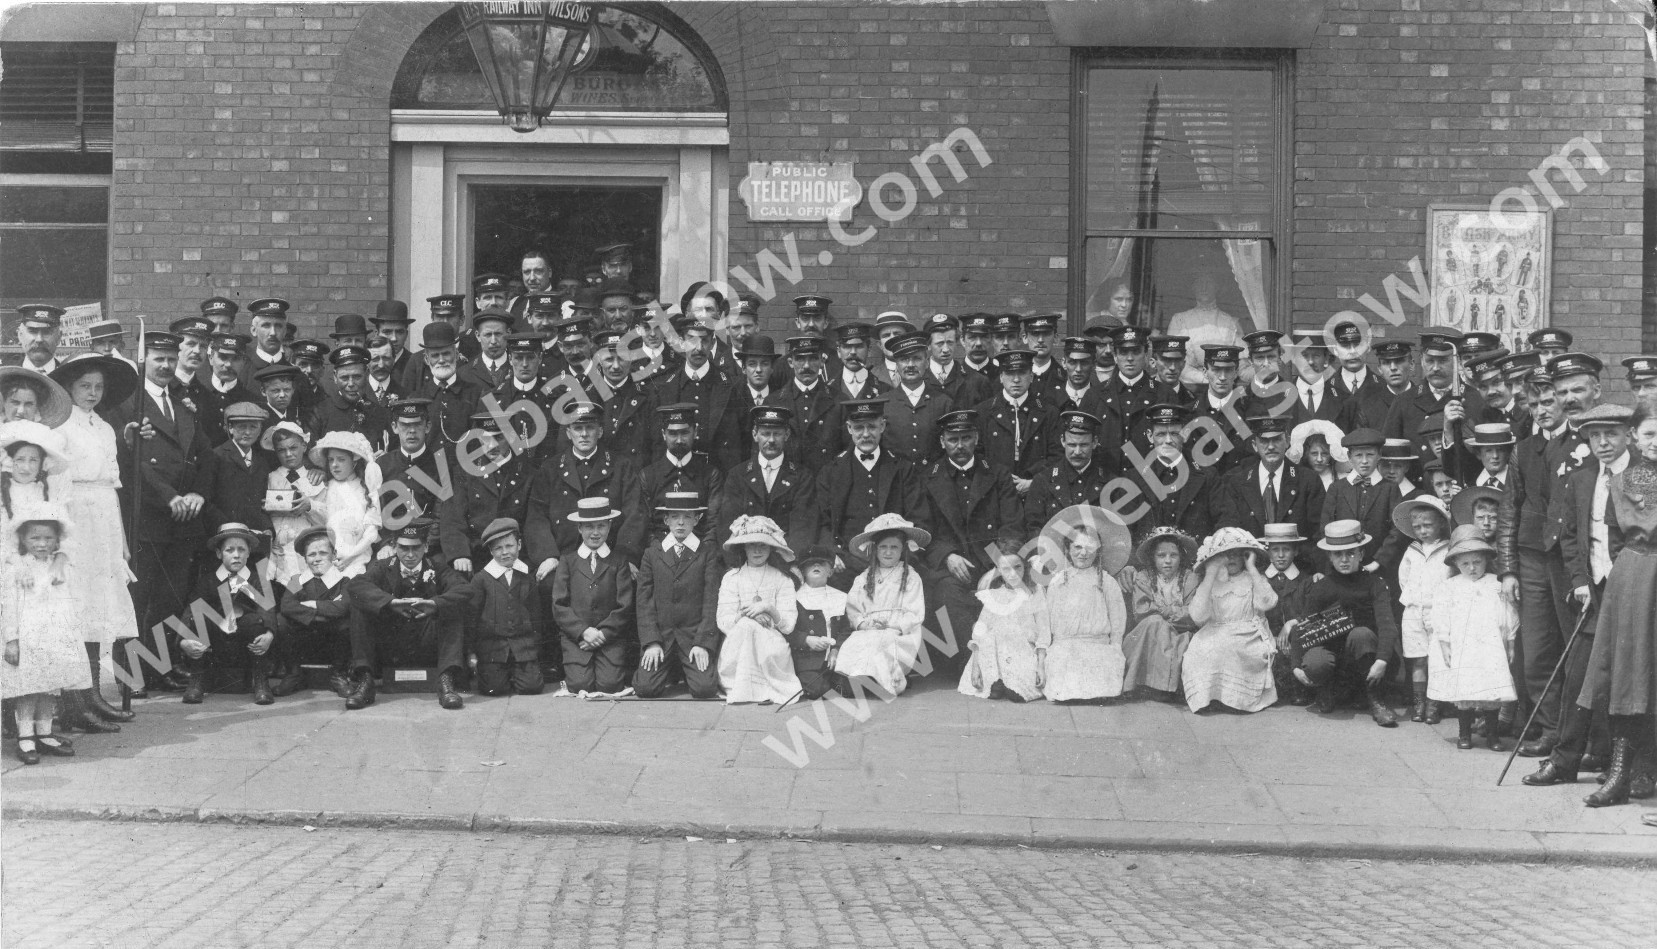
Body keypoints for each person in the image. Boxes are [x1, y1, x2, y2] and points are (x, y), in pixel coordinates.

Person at [1571, 407, 1657, 805]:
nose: (1656, 442)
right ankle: (1622, 774)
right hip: (1636, 581)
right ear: (1636, 438)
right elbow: (1614, 538)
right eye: (1650, 434)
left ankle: (1647, 769)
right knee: (1627, 674)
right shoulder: (1622, 481)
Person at [48, 355, 139, 726]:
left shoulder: (103, 427)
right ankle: (73, 701)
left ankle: (94, 694)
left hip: (103, 517)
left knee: (100, 608)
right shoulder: (59, 426)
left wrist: (120, 541)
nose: (92, 393)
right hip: (76, 516)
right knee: (78, 607)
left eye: (98, 387)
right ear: (70, 387)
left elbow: (112, 484)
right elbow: (56, 482)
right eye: (85, 386)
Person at [920, 408, 1021, 678]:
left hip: (992, 560)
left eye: (966, 438)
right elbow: (922, 529)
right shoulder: (928, 477)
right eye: (953, 439)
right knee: (948, 596)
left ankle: (1001, 666)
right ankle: (973, 667)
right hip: (950, 564)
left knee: (1007, 595)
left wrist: (1002, 564)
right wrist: (947, 556)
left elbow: (1012, 524)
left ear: (976, 438)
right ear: (942, 442)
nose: (960, 445)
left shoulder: (997, 474)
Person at [1284, 519, 1401, 727]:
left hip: (1367, 657)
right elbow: (1303, 627)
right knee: (1315, 660)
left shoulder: (1375, 584)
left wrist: (1382, 660)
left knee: (1361, 634)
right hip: (1334, 660)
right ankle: (1327, 690)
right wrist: (1295, 666)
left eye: (1351, 553)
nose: (1345, 560)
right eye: (1338, 554)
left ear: (1362, 554)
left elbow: (1387, 625)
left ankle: (1375, 699)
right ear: (1329, 556)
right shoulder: (1322, 587)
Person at [346, 518, 469, 710]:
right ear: (394, 546)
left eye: (416, 548)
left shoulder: (437, 567)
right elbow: (355, 586)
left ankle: (446, 680)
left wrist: (436, 603)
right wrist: (389, 602)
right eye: (404, 548)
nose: (410, 554)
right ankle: (365, 680)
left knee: (451, 608)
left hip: (427, 643)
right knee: (360, 606)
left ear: (426, 546)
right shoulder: (382, 566)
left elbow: (464, 589)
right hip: (392, 644)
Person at [3, 508, 87, 764]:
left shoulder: (60, 566)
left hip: (53, 638)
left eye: (48, 539)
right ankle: (25, 737)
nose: (41, 544)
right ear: (23, 540)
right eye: (35, 539)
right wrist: (11, 639)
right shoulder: (17, 570)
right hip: (29, 638)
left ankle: (45, 733)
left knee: (48, 688)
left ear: (57, 540)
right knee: (28, 689)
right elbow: (8, 607)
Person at [1428, 525, 1519, 751]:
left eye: (1477, 562)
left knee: (1491, 691)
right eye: (1465, 563)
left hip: (1490, 647)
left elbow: (1508, 615)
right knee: (1465, 690)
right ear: (1456, 563)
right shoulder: (1449, 587)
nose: (1471, 568)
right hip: (1462, 646)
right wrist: (1444, 643)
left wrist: (1510, 643)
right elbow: (1440, 617)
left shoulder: (1495, 584)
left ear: (1486, 560)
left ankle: (1492, 735)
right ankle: (1464, 733)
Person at [812, 399, 923, 582]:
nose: (865, 434)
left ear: (882, 426)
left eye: (871, 427)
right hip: (848, 563)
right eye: (858, 428)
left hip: (896, 560)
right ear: (849, 428)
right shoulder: (831, 471)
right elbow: (823, 522)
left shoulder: (903, 469)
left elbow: (918, 519)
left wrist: (904, 558)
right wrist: (832, 553)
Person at [634, 491, 723, 701]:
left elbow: (711, 601)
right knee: (645, 688)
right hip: (662, 637)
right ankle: (671, 670)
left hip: (693, 637)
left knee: (704, 689)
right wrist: (651, 642)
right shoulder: (652, 554)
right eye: (675, 516)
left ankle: (683, 669)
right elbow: (644, 602)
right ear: (666, 520)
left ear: (697, 519)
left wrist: (702, 643)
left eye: (687, 517)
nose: (681, 523)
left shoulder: (707, 553)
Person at [1180, 527, 1279, 713]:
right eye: (1226, 554)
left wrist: (1251, 568)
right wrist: (1210, 574)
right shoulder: (1211, 582)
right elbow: (1198, 616)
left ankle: (1236, 700)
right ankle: (1209, 698)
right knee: (1199, 650)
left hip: (1247, 633)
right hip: (1214, 630)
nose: (1232, 559)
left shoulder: (1252, 579)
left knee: (1229, 646)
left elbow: (1268, 602)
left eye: (1237, 554)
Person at [180, 523, 280, 705]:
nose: (236, 555)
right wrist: (183, 639)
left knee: (257, 621)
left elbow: (267, 608)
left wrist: (269, 634)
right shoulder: (209, 580)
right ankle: (196, 680)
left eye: (242, 549)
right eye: (229, 550)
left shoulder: (256, 580)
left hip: (245, 640)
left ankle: (260, 680)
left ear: (249, 553)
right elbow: (190, 609)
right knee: (199, 617)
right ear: (219, 554)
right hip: (216, 641)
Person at [837, 514, 930, 698]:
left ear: (903, 550)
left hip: (898, 632)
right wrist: (863, 624)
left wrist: (892, 625)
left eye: (894, 547)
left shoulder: (910, 577)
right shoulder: (864, 577)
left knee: (882, 642)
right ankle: (857, 679)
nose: (888, 552)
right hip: (870, 629)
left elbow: (914, 613)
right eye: (883, 547)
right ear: (875, 549)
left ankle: (883, 680)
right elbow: (854, 607)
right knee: (854, 643)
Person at [549, 497, 635, 696]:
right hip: (577, 639)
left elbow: (624, 605)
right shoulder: (568, 561)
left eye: (601, 526)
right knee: (580, 685)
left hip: (609, 638)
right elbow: (559, 605)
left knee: (610, 685)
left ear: (609, 526)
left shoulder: (619, 561)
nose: (595, 533)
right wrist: (583, 631)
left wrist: (603, 633)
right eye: (588, 527)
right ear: (579, 528)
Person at [715, 514, 801, 705]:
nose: (757, 550)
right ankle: (744, 686)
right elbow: (723, 621)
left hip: (771, 643)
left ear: (771, 547)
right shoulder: (732, 578)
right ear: (743, 547)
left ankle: (766, 685)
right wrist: (748, 615)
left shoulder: (781, 578)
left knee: (759, 635)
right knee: (747, 626)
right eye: (751, 545)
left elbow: (788, 626)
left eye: (762, 545)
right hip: (739, 641)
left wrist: (768, 608)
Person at [1040, 524, 1128, 703]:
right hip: (1065, 647)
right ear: (1068, 549)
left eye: (1089, 548)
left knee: (1100, 689)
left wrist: (1116, 648)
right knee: (1065, 689)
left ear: (1098, 551)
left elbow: (1118, 622)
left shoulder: (1107, 582)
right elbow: (1046, 622)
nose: (1083, 553)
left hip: (1099, 647)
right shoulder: (1058, 582)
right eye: (1077, 547)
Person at [958, 531, 1046, 703]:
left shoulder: (1035, 593)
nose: (1012, 574)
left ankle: (1012, 684)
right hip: (995, 652)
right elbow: (980, 633)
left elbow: (1043, 630)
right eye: (1006, 569)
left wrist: (1041, 666)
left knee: (1021, 691)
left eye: (1017, 567)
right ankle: (996, 680)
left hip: (1023, 652)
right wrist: (976, 665)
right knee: (992, 634)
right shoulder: (994, 595)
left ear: (1025, 566)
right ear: (998, 570)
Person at [468, 517, 547, 698]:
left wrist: (534, 648)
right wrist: (471, 651)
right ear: (490, 550)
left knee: (532, 687)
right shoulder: (482, 579)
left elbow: (536, 615)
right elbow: (472, 617)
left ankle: (520, 672)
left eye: (509, 546)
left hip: (523, 646)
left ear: (519, 544)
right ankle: (498, 673)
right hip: (493, 648)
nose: (505, 552)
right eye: (498, 548)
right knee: (494, 689)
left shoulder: (527, 576)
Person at [1116, 526, 1199, 698]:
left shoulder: (1190, 578)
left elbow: (1193, 612)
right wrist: (1172, 613)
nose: (1167, 561)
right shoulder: (1143, 577)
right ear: (1152, 557)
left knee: (1161, 626)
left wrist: (1163, 612)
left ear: (1181, 556)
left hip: (1180, 634)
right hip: (1149, 634)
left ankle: (1164, 688)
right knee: (1155, 623)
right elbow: (1142, 611)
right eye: (1161, 555)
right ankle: (1147, 684)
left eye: (1173, 555)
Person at [1215, 415, 1325, 543]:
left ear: (1288, 441)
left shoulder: (1308, 480)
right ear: (1254, 445)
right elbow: (1231, 532)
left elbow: (1318, 534)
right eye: (1264, 441)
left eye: (1277, 439)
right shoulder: (1237, 483)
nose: (1271, 446)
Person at [277, 526, 356, 704]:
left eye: (323, 553)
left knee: (347, 621)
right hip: (304, 642)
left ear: (334, 555)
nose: (317, 559)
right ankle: (293, 673)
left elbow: (342, 608)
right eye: (312, 555)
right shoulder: (297, 581)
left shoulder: (344, 581)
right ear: (304, 558)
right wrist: (325, 611)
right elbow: (287, 606)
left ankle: (338, 675)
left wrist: (311, 605)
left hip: (332, 642)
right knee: (281, 621)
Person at [1393, 495, 1452, 725]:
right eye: (1417, 527)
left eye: (1427, 525)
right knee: (1418, 659)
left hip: (1438, 611)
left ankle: (1434, 704)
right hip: (1414, 611)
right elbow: (1403, 579)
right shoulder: (1412, 550)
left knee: (1437, 659)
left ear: (1440, 523)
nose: (1423, 531)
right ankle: (1419, 704)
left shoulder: (1448, 549)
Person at [973, 349, 1052, 491]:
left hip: (1036, 490)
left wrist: (1033, 482)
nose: (1016, 380)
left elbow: (1056, 455)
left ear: (1031, 376)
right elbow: (977, 455)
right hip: (995, 490)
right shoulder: (983, 412)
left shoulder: (1048, 412)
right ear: (1001, 377)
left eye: (1022, 373)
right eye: (1010, 374)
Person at [261, 421, 327, 590]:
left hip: (304, 556)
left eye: (293, 448)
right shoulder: (269, 478)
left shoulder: (316, 479)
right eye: (282, 450)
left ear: (304, 446)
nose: (288, 454)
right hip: (276, 557)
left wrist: (310, 505)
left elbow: (330, 518)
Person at [309, 431, 382, 578]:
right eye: (330, 460)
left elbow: (371, 533)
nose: (334, 465)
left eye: (341, 459)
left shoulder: (367, 489)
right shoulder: (326, 488)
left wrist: (349, 557)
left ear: (354, 461)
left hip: (358, 561)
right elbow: (320, 523)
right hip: (328, 563)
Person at [881, 330, 955, 466]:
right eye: (904, 359)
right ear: (896, 365)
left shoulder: (944, 403)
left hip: (933, 481)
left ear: (927, 363)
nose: (910, 365)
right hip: (897, 482)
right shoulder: (883, 403)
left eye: (917, 358)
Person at [1260, 523, 1315, 706]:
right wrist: (1271, 637)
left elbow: (1312, 613)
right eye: (1275, 550)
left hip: (1296, 640)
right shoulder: (1261, 579)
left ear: (1296, 551)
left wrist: (1292, 623)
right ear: (1268, 552)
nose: (1281, 555)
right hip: (1267, 638)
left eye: (1286, 549)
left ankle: (1297, 689)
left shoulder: (1306, 580)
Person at [791, 546, 851, 701]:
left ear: (830, 571)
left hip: (835, 658)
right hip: (809, 660)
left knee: (849, 688)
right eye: (811, 564)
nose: (816, 566)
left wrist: (836, 649)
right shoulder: (795, 598)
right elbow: (788, 630)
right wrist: (806, 639)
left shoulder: (839, 597)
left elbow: (846, 629)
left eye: (821, 563)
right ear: (803, 571)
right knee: (817, 690)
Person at [1165, 273, 1243, 387]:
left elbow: (1242, 363)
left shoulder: (1231, 322)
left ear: (1216, 287)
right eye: (1199, 283)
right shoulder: (1179, 319)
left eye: (1209, 283)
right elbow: (1175, 361)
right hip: (1188, 386)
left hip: (1223, 385)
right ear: (1193, 288)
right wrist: (1206, 380)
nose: (1204, 288)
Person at [1287, 419, 1346, 490]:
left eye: (1324, 454)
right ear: (1306, 454)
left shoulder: (1342, 479)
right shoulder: (1298, 479)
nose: (1319, 459)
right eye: (1314, 454)